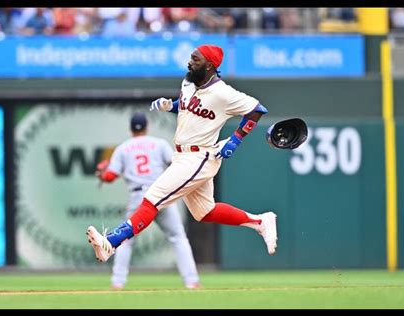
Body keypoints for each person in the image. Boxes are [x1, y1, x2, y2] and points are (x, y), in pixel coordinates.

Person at [86, 44, 277, 272]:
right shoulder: (188, 83)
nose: (189, 62)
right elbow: (188, 107)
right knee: (204, 212)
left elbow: (257, 109)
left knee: (153, 198)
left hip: (199, 157)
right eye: (190, 58)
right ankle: (260, 222)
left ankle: (112, 243)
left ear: (209, 66)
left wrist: (236, 139)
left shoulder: (223, 93)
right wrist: (171, 106)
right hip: (182, 154)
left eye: (195, 59)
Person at [95, 112, 200, 290]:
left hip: (139, 197)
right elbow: (176, 164)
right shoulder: (159, 144)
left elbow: (111, 176)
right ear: (146, 126)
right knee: (178, 238)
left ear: (130, 128)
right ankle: (191, 281)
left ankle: (117, 283)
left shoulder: (123, 148)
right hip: (161, 194)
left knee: (126, 240)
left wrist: (102, 174)